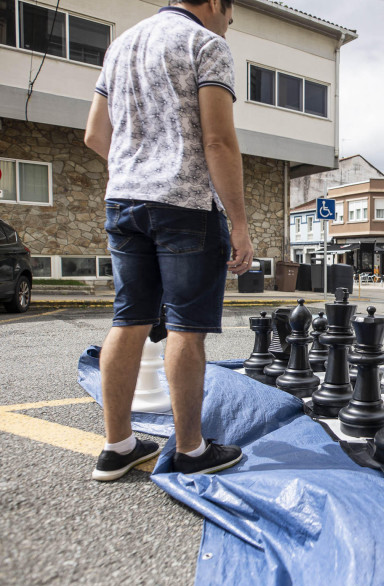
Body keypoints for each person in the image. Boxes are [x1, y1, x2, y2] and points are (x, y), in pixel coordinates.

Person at [84, 0, 250, 481]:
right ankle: (192, 451)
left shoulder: (120, 45)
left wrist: (135, 171)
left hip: (124, 202)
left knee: (129, 319)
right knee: (185, 329)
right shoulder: (206, 43)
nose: (227, 27)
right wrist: (239, 223)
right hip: (184, 205)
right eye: (230, 18)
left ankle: (118, 447)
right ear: (217, 4)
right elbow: (218, 140)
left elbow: (96, 133)